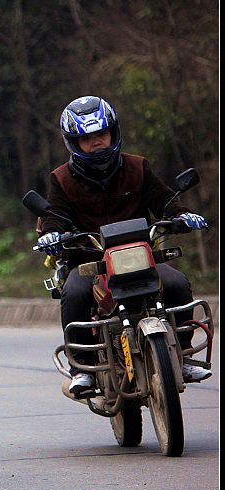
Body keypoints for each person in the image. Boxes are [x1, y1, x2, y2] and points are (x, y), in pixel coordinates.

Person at [35, 96, 211, 396]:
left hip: (141, 255)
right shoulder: (61, 179)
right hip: (91, 262)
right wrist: (51, 237)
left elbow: (164, 199)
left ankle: (180, 357)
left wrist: (182, 216)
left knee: (177, 283)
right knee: (74, 293)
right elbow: (55, 217)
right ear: (74, 143)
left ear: (113, 133)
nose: (97, 143)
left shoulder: (137, 167)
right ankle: (84, 370)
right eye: (87, 138)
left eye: (101, 134)